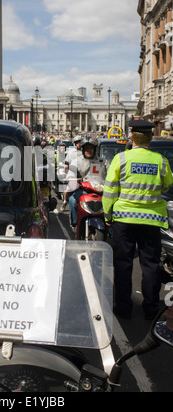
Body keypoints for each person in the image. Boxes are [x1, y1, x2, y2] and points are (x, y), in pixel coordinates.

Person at [102, 119, 173, 320]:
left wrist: (108, 215)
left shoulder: (121, 159)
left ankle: (123, 308)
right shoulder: (160, 160)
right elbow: (167, 185)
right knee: (150, 265)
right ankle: (150, 309)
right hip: (152, 221)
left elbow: (109, 191)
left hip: (124, 219)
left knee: (123, 264)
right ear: (150, 138)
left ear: (131, 137)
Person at [63, 138, 106, 225]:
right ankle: (75, 223)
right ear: (83, 150)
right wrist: (71, 178)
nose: (89, 150)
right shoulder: (77, 161)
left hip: (102, 191)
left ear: (95, 149)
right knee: (72, 200)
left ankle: (110, 228)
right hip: (83, 190)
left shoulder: (103, 161)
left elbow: (110, 174)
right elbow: (71, 173)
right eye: (86, 149)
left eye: (91, 148)